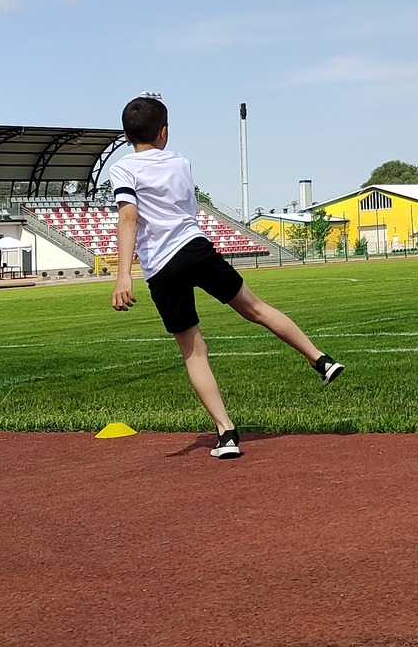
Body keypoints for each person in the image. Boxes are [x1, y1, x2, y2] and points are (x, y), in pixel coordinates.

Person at [109, 96, 342, 458]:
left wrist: (124, 275)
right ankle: (320, 359)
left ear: (126, 135)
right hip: (196, 248)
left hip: (162, 265)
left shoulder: (123, 168)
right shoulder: (181, 162)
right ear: (164, 132)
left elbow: (128, 218)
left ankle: (226, 433)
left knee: (193, 350)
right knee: (257, 308)